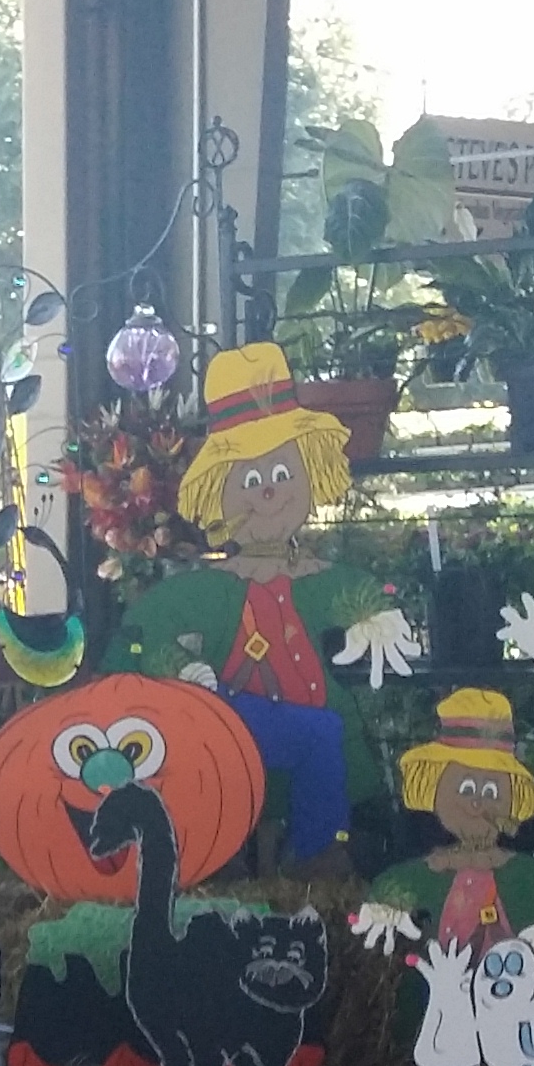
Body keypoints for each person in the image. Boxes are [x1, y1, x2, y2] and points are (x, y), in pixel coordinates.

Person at [117, 341, 422, 871]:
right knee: (310, 738)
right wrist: (179, 667)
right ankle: (289, 857)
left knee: (324, 737)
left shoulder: (320, 578)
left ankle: (314, 860)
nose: (269, 493)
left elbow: (358, 593)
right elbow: (144, 632)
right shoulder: (205, 588)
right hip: (229, 718)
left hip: (309, 730)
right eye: (251, 480)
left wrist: (377, 615)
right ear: (220, 492)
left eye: (282, 475)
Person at [349, 687, 534, 1066]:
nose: (477, 801)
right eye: (466, 787)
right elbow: (390, 892)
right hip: (447, 1003)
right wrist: (385, 907)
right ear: (434, 791)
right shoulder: (418, 875)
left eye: (490, 789)